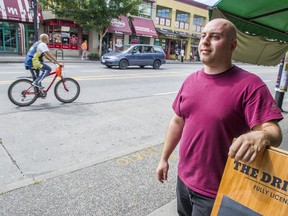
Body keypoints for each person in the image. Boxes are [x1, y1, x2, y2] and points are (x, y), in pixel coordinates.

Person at [156, 18, 283, 216]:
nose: (205, 42)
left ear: (232, 45)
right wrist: (164, 158)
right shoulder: (190, 81)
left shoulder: (250, 85)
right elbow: (177, 121)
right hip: (184, 181)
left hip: (218, 191)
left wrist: (261, 136)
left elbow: (273, 131)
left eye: (215, 37)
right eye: (203, 36)